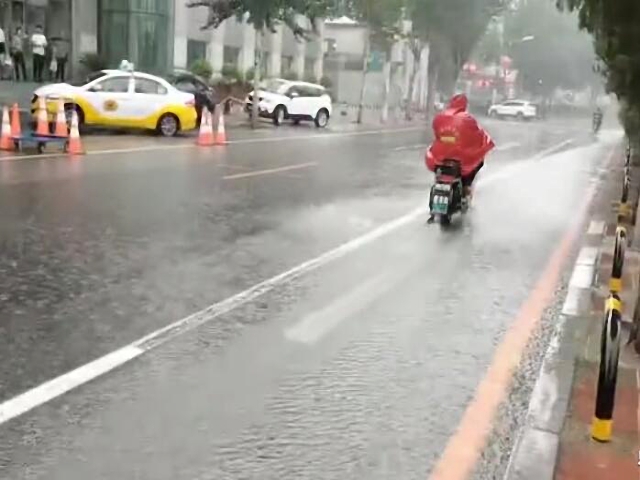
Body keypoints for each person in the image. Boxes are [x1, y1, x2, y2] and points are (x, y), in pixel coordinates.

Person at [425, 94, 495, 220]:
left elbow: (436, 133)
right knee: (475, 165)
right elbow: (478, 134)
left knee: (439, 171)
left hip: (441, 157)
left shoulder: (440, 117)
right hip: (460, 159)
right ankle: (466, 191)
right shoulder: (467, 119)